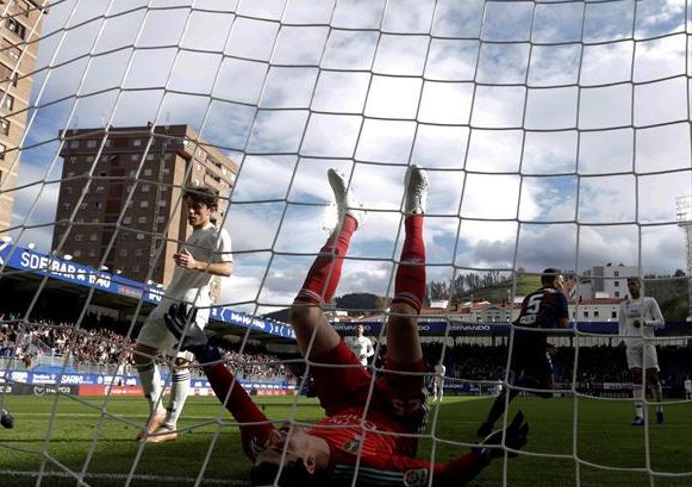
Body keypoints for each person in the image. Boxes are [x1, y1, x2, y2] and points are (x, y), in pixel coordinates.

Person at [164, 167, 529, 486]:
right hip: (396, 414)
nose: (274, 441)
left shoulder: (265, 447)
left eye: (267, 450)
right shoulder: (365, 469)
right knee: (401, 317)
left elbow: (238, 404)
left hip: (344, 400)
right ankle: (415, 214)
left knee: (303, 314)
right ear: (309, 464)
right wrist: (486, 452)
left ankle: (349, 219)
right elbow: (443, 476)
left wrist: (203, 349)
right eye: (281, 449)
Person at [132, 186, 233, 443]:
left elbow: (228, 268)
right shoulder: (191, 237)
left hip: (191, 306)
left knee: (180, 361)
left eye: (196, 208)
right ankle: (157, 411)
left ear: (211, 210)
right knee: (141, 352)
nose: (190, 212)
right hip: (168, 302)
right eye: (188, 207)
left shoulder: (218, 234)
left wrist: (197, 264)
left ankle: (171, 424)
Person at [477, 268, 575, 437]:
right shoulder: (559, 296)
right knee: (548, 391)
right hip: (534, 341)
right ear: (554, 281)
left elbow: (530, 319)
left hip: (516, 339)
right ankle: (523, 383)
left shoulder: (529, 297)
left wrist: (545, 341)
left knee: (508, 390)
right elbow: (564, 325)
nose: (563, 283)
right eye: (561, 279)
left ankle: (487, 425)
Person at [618, 277, 666, 425]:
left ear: (640, 285)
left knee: (653, 376)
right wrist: (621, 339)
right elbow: (621, 324)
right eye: (629, 284)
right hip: (631, 344)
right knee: (636, 377)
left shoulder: (650, 301)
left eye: (633, 284)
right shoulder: (624, 304)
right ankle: (639, 415)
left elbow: (661, 322)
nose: (631, 287)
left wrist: (646, 322)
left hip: (647, 342)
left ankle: (659, 409)